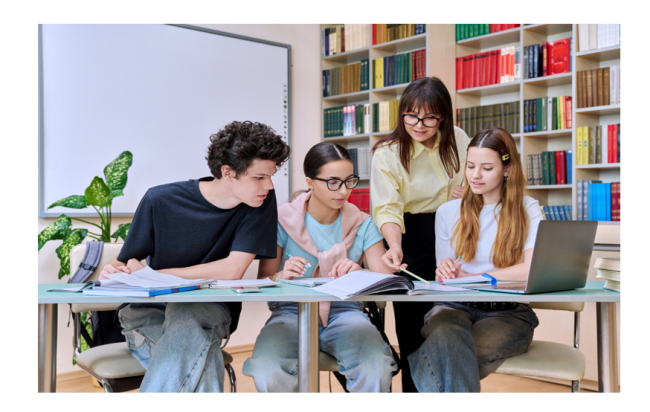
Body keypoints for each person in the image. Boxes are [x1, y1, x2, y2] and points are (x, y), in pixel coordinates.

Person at [98, 121, 290, 392]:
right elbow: (124, 264)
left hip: (207, 309)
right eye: (259, 177)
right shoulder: (159, 200)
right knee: (203, 362)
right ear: (228, 172)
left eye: (271, 176)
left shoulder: (259, 202)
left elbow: (233, 270)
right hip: (149, 311)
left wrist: (154, 275)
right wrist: (115, 271)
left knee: (187, 315)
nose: (269, 185)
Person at [242, 142, 398, 392]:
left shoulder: (364, 223)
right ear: (310, 182)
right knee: (266, 369)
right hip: (290, 312)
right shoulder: (280, 220)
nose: (344, 190)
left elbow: (388, 281)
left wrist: (360, 273)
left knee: (376, 367)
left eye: (349, 181)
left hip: (346, 312)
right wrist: (281, 274)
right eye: (333, 182)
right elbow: (265, 279)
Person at [408, 127, 541, 392]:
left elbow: (530, 270)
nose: (475, 175)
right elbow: (444, 274)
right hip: (453, 307)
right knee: (448, 341)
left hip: (508, 313)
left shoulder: (528, 208)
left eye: (486, 168)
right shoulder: (447, 212)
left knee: (442, 355)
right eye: (470, 166)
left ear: (507, 169)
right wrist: (445, 271)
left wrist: (475, 277)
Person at [370, 76, 469, 392]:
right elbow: (388, 209)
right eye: (411, 116)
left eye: (430, 118)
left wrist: (469, 194)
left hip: (455, 232)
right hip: (408, 236)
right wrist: (394, 246)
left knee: (451, 318)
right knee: (413, 326)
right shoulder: (387, 153)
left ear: (444, 116)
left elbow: (478, 180)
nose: (419, 125)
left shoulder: (459, 139)